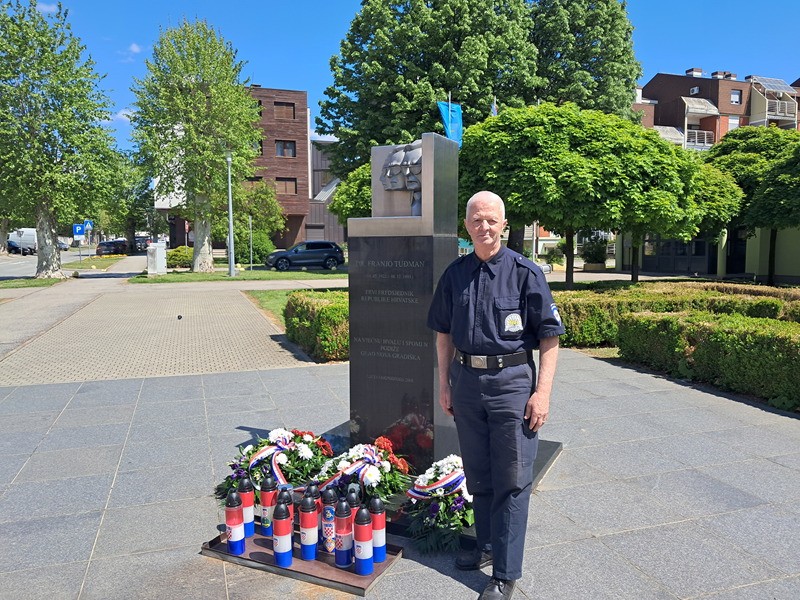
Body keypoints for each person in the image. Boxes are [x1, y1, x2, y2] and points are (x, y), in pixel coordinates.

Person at [427, 191, 564, 600]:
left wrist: (542, 393)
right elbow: (443, 332)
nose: (484, 227)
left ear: (503, 225)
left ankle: (505, 573)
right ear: (466, 226)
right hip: (467, 383)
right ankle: (486, 545)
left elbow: (549, 338)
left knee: (512, 480)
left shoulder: (525, 273)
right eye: (476, 220)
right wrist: (444, 383)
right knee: (479, 473)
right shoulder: (455, 274)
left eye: (491, 220)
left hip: (512, 385)